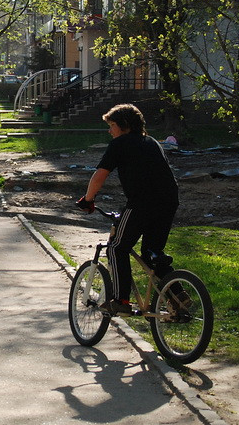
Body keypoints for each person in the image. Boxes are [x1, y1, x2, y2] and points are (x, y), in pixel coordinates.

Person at [76, 103, 179, 314]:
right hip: (169, 201)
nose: (109, 130)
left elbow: (100, 175)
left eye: (112, 125)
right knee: (152, 253)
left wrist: (88, 199)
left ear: (124, 126)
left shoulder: (120, 144)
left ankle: (121, 301)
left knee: (116, 248)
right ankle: (177, 295)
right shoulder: (151, 142)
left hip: (142, 203)